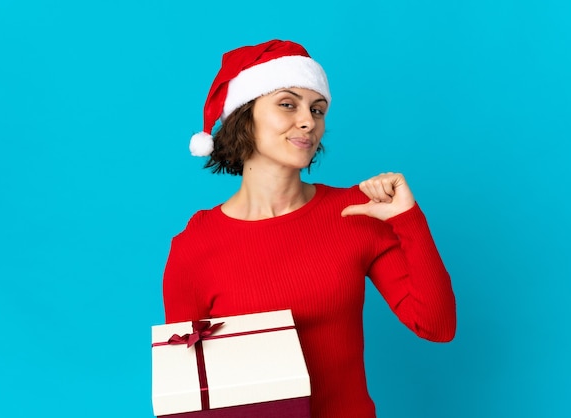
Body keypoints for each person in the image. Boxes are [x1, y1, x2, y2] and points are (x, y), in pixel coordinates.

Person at [162, 39, 456, 418]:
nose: (308, 121)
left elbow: (436, 325)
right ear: (243, 115)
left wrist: (407, 218)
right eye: (288, 104)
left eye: (318, 110)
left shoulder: (356, 213)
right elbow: (189, 391)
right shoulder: (196, 243)